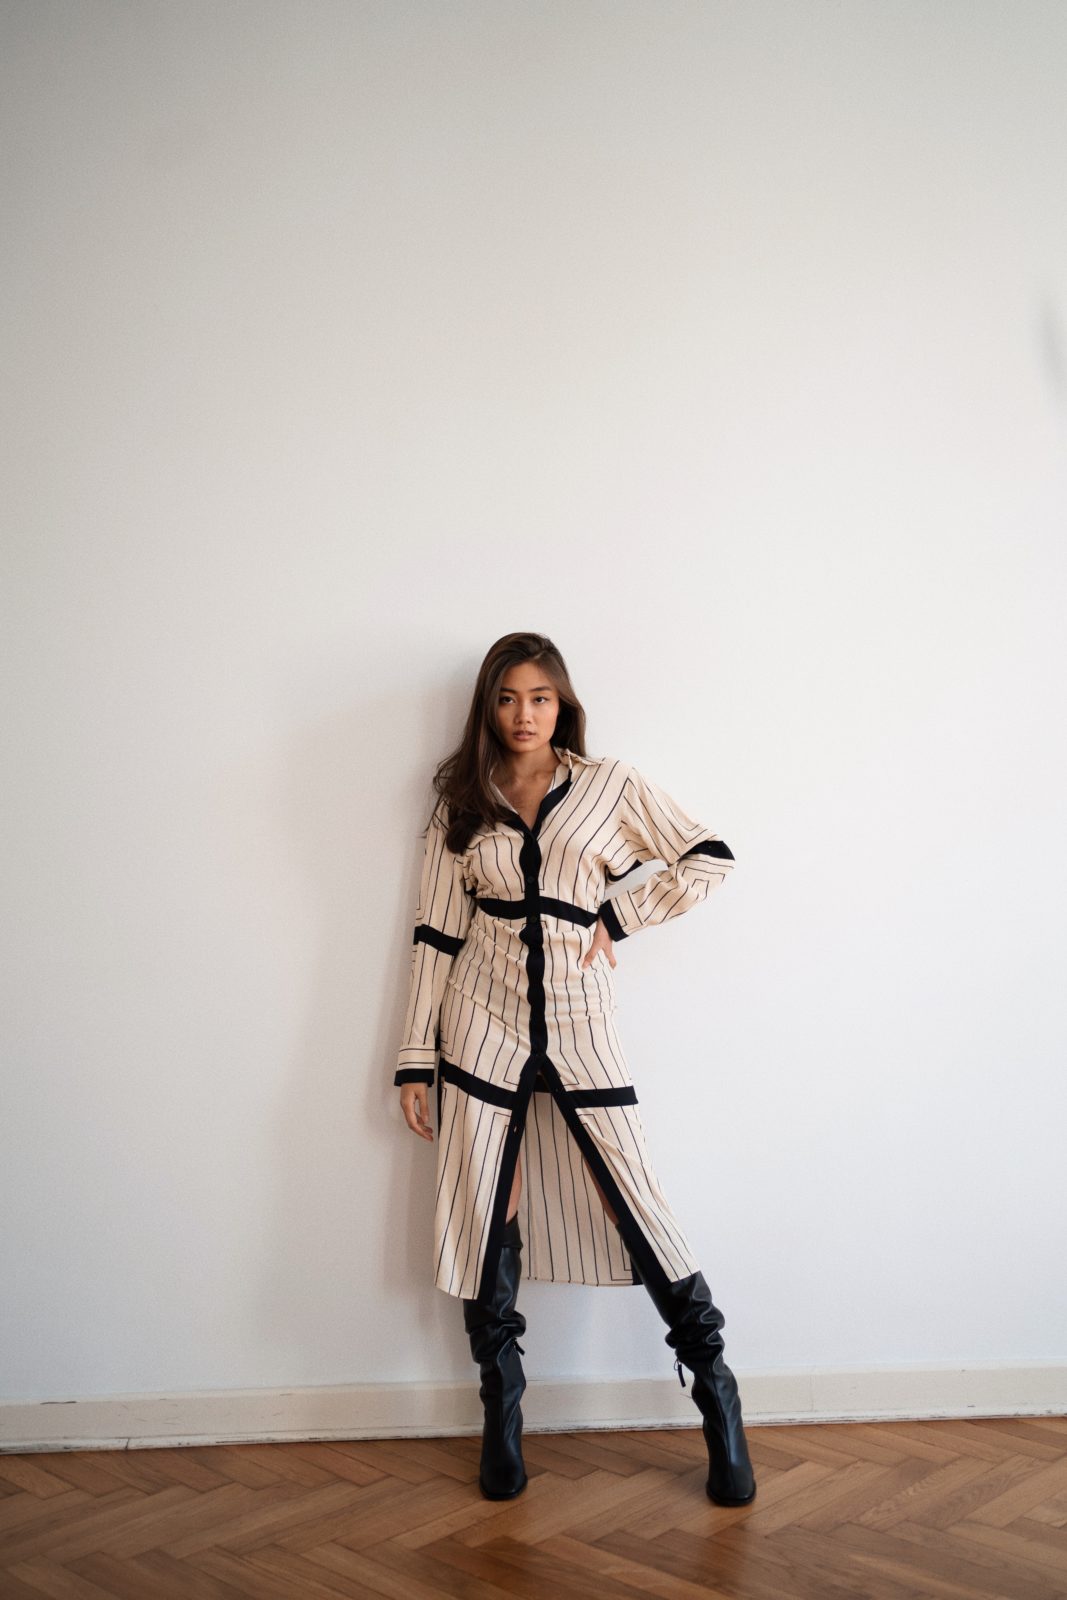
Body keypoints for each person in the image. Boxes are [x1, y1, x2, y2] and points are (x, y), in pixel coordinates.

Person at [394, 631, 756, 1506]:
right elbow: (435, 931)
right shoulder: (460, 799)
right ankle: (502, 1416)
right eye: (507, 698)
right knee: (487, 1203)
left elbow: (708, 857)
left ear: (563, 704)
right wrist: (413, 1058)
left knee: (631, 1195)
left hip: (579, 1016)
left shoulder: (608, 785)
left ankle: (717, 1395)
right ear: (488, 707)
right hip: (478, 1017)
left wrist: (619, 919)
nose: (523, 714)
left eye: (540, 697)